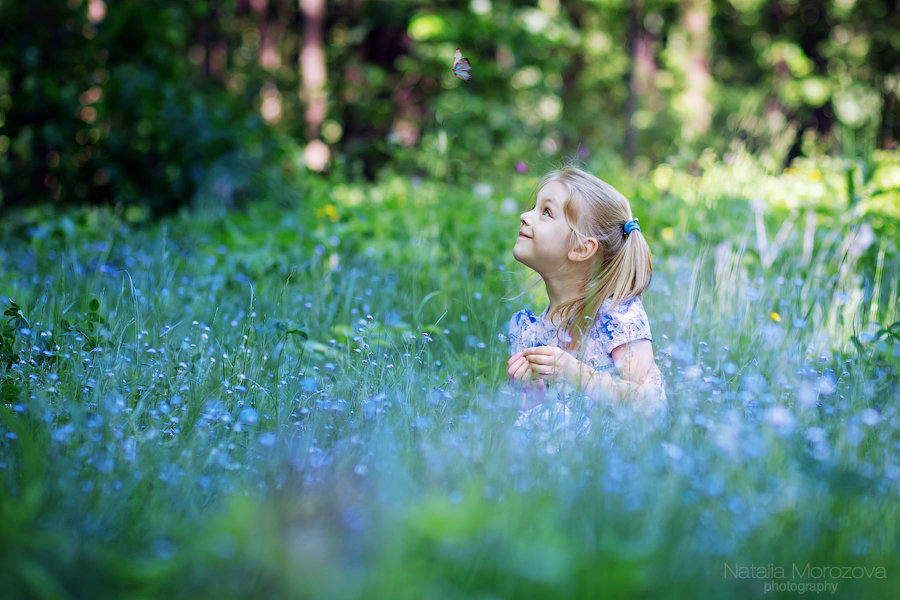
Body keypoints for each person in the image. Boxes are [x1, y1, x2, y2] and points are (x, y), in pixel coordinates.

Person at [506, 166, 666, 414]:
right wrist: (528, 387)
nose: (525, 216)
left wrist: (574, 372)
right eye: (534, 208)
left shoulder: (617, 316)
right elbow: (537, 421)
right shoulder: (531, 330)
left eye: (546, 212)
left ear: (581, 248)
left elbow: (650, 403)